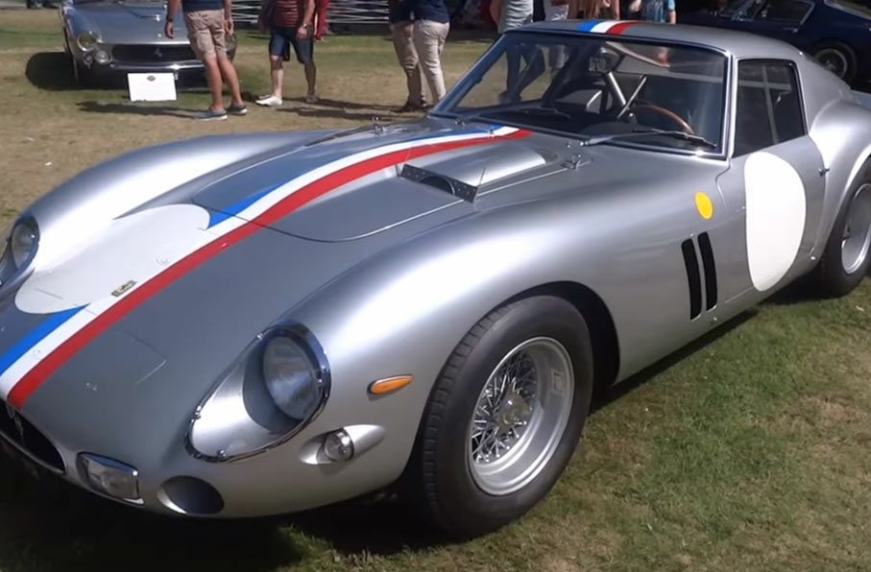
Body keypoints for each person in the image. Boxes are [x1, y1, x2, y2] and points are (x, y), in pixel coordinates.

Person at [165, 0, 247, 120]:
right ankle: (238, 102)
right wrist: (228, 16)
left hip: (197, 13)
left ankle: (217, 107)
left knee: (210, 60)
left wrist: (170, 19)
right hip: (217, 11)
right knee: (222, 56)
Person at [256, 0, 319, 107]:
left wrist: (304, 25)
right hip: (278, 27)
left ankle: (311, 91)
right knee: (275, 58)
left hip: (298, 25)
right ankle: (277, 94)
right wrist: (262, 19)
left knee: (306, 60)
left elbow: (310, 4)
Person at [410, 0, 451, 105]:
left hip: (427, 23)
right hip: (443, 21)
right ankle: (440, 101)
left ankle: (441, 104)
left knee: (432, 68)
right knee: (435, 65)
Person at [389, 0, 428, 111]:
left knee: (410, 63)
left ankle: (416, 99)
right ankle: (418, 96)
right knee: (410, 63)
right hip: (402, 22)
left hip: (403, 23)